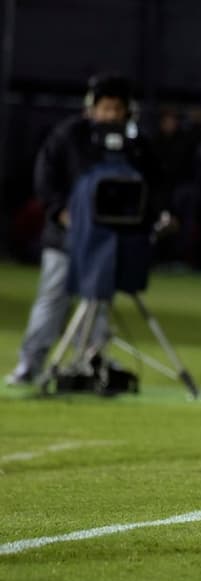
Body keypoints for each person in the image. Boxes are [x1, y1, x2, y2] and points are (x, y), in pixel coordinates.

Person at [4, 74, 141, 386]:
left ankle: (92, 361)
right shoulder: (68, 136)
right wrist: (59, 212)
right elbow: (45, 178)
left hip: (106, 238)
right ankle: (30, 364)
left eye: (116, 109)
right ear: (91, 107)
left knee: (99, 301)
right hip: (65, 236)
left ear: (126, 111)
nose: (109, 115)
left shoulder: (132, 143)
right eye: (104, 108)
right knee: (52, 299)